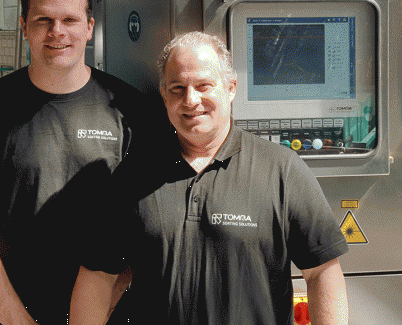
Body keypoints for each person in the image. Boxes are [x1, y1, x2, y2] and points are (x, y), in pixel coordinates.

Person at [70, 31, 350, 325]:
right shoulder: (133, 175)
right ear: (164, 95)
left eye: (204, 85)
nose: (191, 100)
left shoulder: (282, 170)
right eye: (177, 88)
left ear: (231, 88)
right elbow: (98, 276)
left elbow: (322, 273)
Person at [0, 0, 147, 325]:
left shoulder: (129, 110)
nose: (57, 32)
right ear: (24, 27)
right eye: (43, 21)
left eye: (70, 20)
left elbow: (145, 230)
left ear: (89, 28)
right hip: (9, 314)